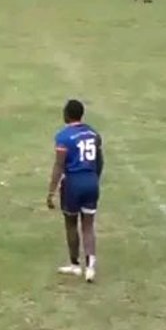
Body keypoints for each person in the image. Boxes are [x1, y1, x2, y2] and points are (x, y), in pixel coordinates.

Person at [47, 99, 103, 283]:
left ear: (67, 115)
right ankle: (91, 267)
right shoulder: (93, 134)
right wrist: (95, 178)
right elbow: (100, 161)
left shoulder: (63, 137)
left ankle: (75, 265)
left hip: (73, 184)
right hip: (91, 181)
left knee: (71, 223)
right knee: (88, 225)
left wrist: (51, 191)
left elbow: (59, 165)